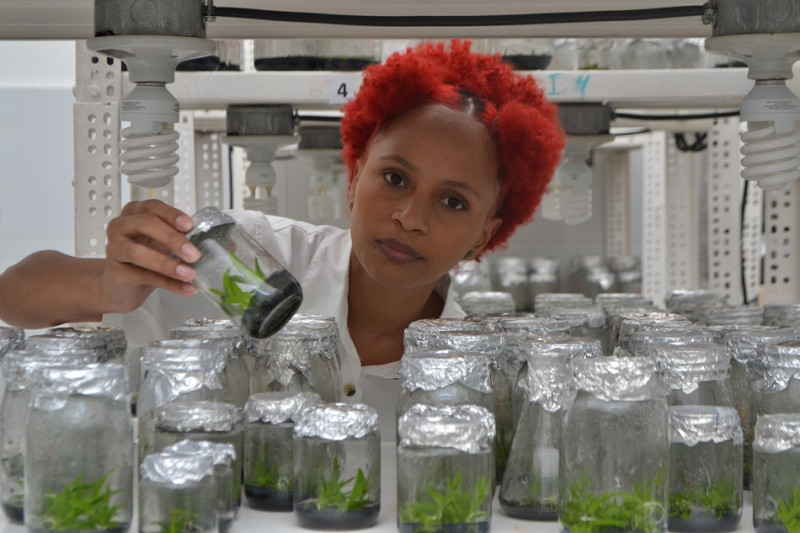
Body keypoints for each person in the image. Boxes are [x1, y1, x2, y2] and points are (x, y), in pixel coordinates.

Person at [0, 40, 563, 411]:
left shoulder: (472, 379)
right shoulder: (246, 262)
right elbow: (14, 295)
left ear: (485, 235)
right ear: (356, 173)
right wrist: (105, 287)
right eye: (394, 178)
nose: (409, 218)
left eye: (453, 202)